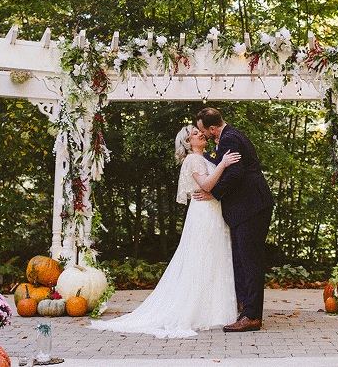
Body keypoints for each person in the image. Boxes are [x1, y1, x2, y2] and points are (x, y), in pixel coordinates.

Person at [90, 125, 240, 338]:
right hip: (205, 213)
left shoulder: (203, 157)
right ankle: (202, 312)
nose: (201, 134)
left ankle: (214, 312)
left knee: (213, 257)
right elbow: (206, 185)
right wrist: (223, 163)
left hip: (211, 211)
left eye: (199, 132)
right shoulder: (193, 159)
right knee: (203, 257)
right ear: (188, 142)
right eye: (195, 134)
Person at [194, 107, 274, 332]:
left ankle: (252, 317)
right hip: (245, 208)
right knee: (242, 261)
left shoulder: (229, 138)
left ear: (212, 128)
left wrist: (214, 193)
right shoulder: (228, 136)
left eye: (203, 130)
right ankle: (245, 310)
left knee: (250, 263)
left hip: (251, 207)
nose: (203, 134)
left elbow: (236, 173)